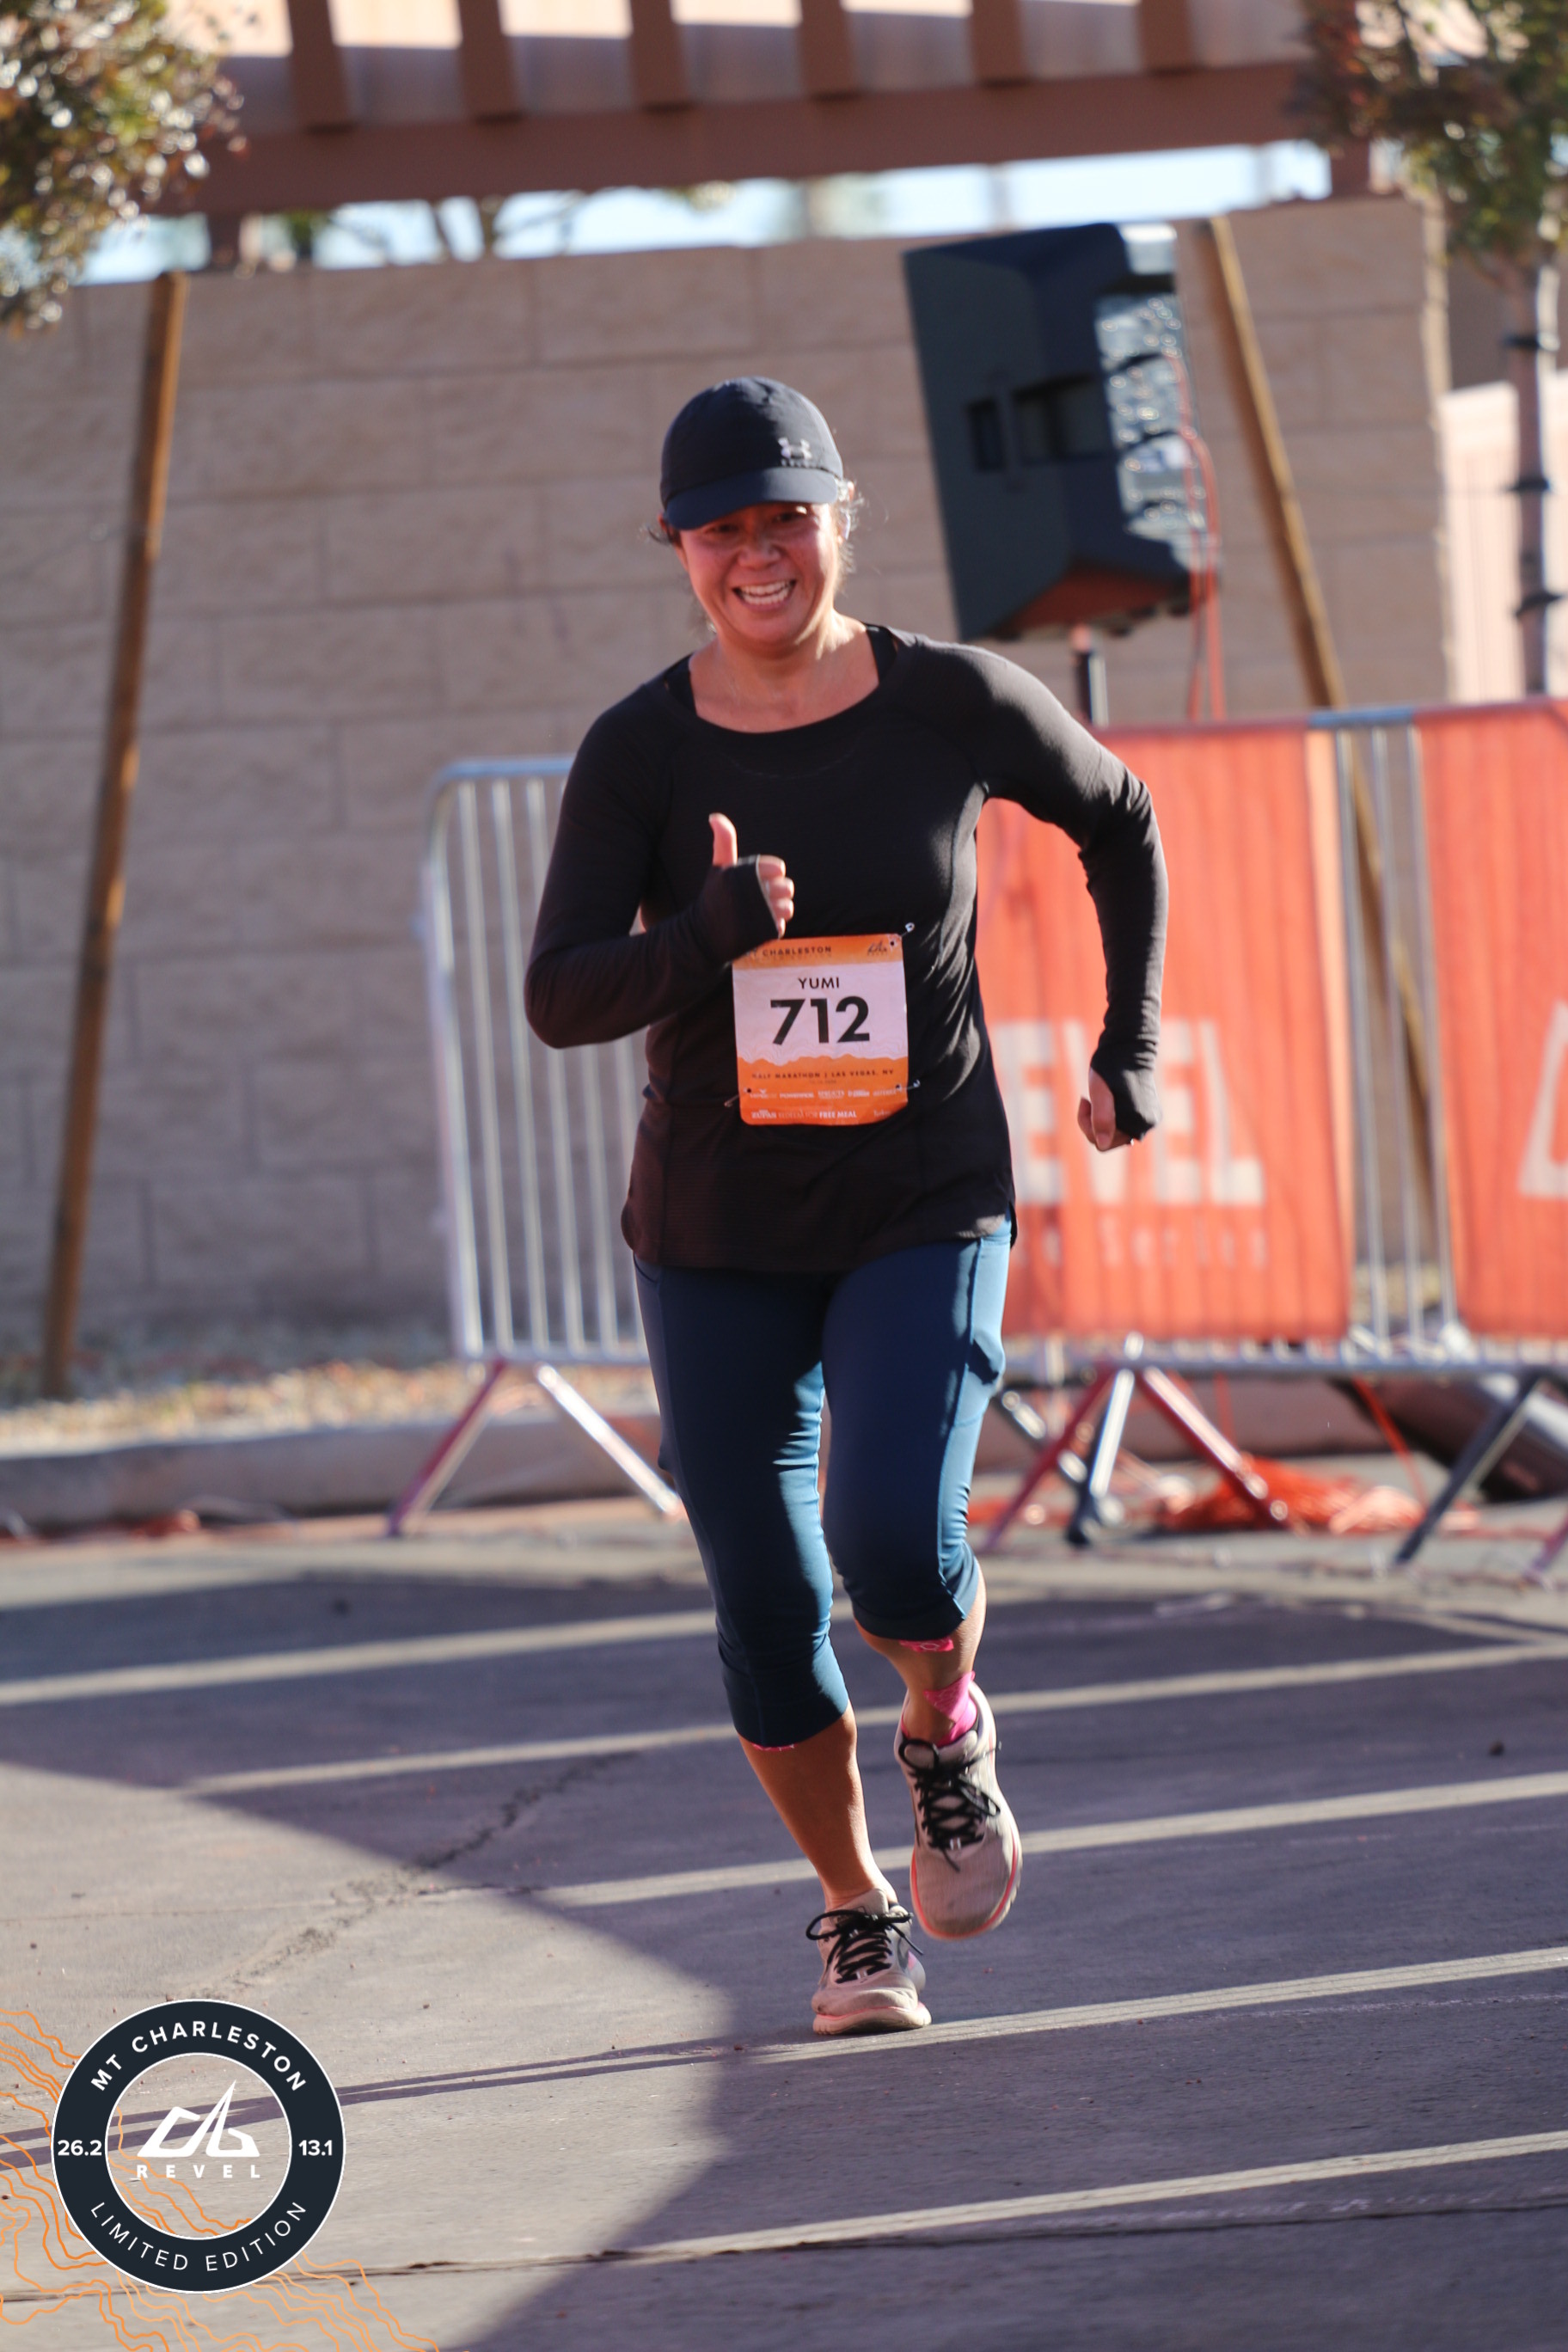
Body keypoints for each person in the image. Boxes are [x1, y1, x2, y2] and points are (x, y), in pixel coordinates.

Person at [525, 377, 1166, 2036]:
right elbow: (560, 991)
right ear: (676, 546)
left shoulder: (951, 702)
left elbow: (1120, 817)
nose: (761, 555)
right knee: (763, 1604)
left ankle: (945, 1724)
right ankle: (854, 1909)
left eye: (788, 519)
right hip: (717, 1231)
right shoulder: (640, 751)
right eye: (723, 529)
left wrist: (1130, 1042)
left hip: (918, 1196)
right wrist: (703, 938)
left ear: (841, 521)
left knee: (894, 1549)